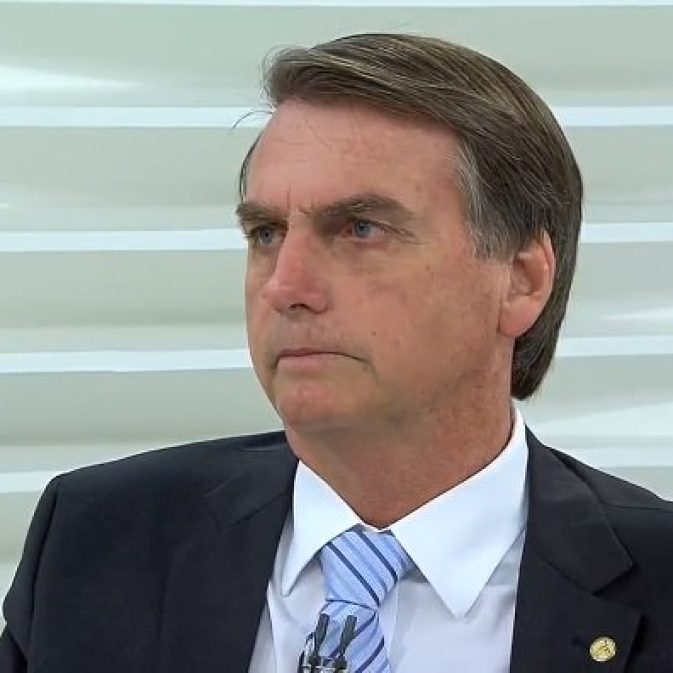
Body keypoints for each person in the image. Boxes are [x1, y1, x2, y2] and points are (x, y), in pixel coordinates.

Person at [1, 33, 672, 673]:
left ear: (520, 281)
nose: (285, 286)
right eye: (266, 233)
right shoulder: (99, 541)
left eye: (360, 229)